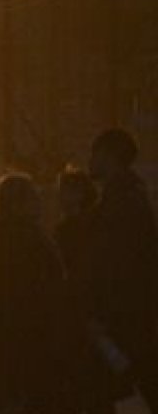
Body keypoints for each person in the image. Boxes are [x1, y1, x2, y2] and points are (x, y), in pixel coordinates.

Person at [83, 129, 158, 411]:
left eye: (94, 153)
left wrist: (100, 313)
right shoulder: (128, 199)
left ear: (109, 156)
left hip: (121, 325)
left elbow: (114, 267)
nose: (90, 159)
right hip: (127, 323)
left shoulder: (121, 204)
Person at [0, 174, 65, 413]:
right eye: (33, 196)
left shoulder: (2, 235)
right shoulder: (26, 237)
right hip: (30, 332)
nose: (39, 201)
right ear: (18, 202)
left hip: (13, 332)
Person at [55, 167, 121, 414]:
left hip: (83, 314)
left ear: (79, 192)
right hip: (86, 315)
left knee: (88, 385)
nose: (59, 196)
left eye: (64, 190)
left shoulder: (77, 229)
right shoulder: (91, 226)